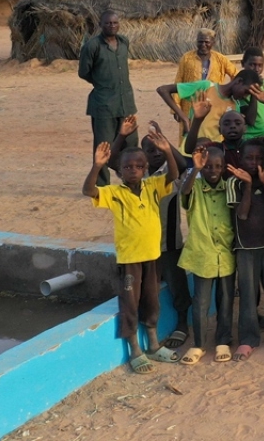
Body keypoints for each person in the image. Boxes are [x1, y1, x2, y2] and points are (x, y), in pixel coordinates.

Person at [81, 124, 179, 373]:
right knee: (130, 304)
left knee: (152, 302)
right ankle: (136, 350)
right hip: (129, 260)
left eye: (138, 166)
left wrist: (168, 151)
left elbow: (173, 175)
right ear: (120, 171)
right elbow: (88, 190)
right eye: (127, 167)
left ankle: (153, 345)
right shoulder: (115, 193)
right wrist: (97, 165)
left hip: (152, 257)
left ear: (145, 169)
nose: (133, 170)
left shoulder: (153, 186)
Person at [108, 117, 191, 352]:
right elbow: (113, 161)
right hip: (142, 249)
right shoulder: (136, 175)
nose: (156, 154)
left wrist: (166, 143)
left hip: (169, 243)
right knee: (145, 292)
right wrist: (122, 136)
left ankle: (182, 324)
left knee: (177, 285)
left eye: (159, 150)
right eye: (150, 150)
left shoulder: (170, 174)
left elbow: (184, 164)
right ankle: (147, 339)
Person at [224, 140, 264, 360]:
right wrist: (249, 186)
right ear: (240, 159)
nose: (254, 162)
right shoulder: (234, 183)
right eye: (249, 158)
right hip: (246, 248)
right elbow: (242, 214)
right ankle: (248, 340)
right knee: (248, 296)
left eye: (259, 158)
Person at [176, 146, 237, 365]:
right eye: (208, 166)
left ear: (223, 167)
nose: (213, 170)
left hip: (226, 253)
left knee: (226, 300)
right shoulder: (194, 186)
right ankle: (199, 344)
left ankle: (223, 340)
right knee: (200, 302)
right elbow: (184, 193)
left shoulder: (229, 188)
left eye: (218, 166)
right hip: (203, 254)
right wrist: (195, 169)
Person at [79, 11, 138, 185]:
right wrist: (101, 83)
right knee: (103, 145)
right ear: (101, 25)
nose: (111, 26)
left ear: (119, 24)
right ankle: (102, 185)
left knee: (131, 144)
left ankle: (132, 182)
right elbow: (83, 72)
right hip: (103, 104)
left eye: (114, 23)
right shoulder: (92, 46)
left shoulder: (124, 42)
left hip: (126, 103)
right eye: (107, 23)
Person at [157, 69, 261, 147]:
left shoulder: (235, 105)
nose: (245, 96)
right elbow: (163, 90)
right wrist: (183, 117)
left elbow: (250, 121)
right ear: (239, 81)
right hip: (191, 150)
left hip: (213, 155)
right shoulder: (206, 87)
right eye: (246, 92)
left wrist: (254, 96)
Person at [173, 28, 237, 123]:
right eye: (200, 42)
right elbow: (178, 81)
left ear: (213, 42)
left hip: (213, 106)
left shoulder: (221, 59)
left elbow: (236, 76)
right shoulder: (187, 58)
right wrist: (176, 108)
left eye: (207, 42)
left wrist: (229, 96)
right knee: (189, 130)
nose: (203, 45)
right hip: (190, 106)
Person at [237, 48, 264, 161]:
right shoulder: (239, 88)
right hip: (249, 138)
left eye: (260, 65)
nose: (256, 69)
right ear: (243, 64)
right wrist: (254, 92)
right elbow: (250, 120)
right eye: (252, 64)